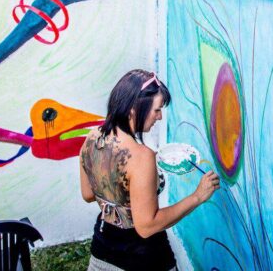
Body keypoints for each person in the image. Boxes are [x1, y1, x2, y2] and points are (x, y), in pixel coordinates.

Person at [80, 70, 220, 271]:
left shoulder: (92, 137)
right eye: (157, 110)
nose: (160, 117)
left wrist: (119, 193)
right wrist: (197, 196)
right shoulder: (141, 157)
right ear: (134, 109)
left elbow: (87, 194)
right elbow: (147, 227)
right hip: (142, 259)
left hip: (102, 251)